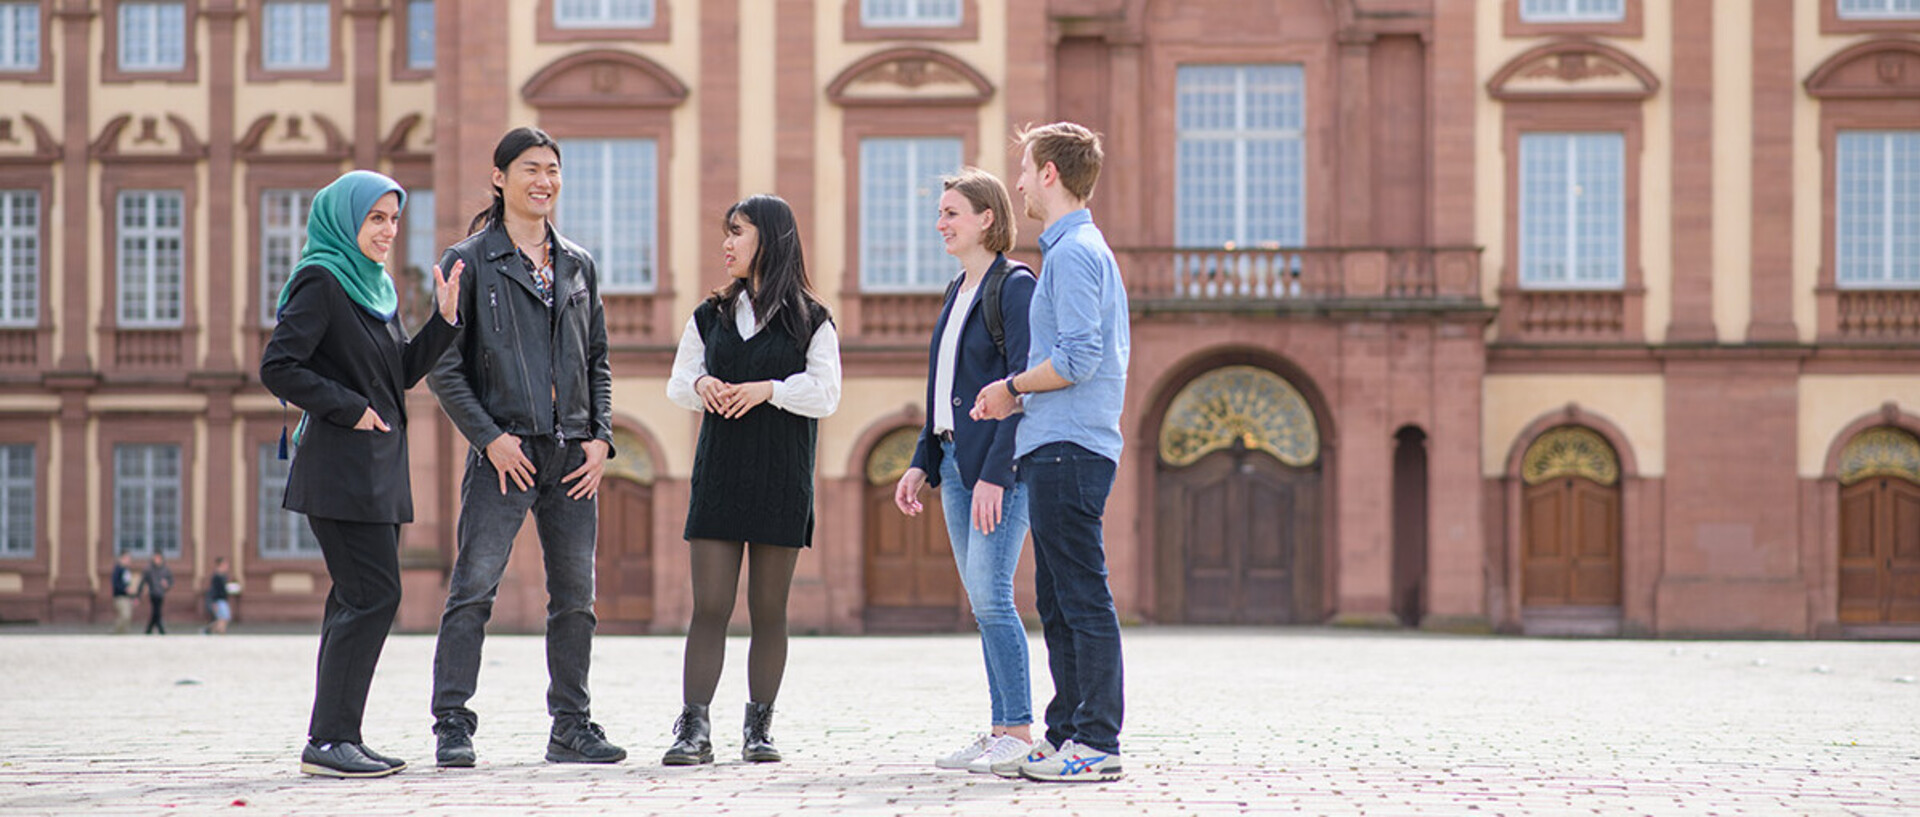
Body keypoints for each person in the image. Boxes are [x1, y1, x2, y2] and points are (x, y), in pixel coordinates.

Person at [426, 127, 625, 768]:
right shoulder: (469, 261)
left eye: (553, 170)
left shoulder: (578, 264)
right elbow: (444, 368)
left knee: (576, 599)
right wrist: (491, 439)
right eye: (531, 169)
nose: (544, 181)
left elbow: (596, 359)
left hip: (572, 455)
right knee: (473, 591)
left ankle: (571, 725)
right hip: (503, 456)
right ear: (500, 178)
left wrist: (602, 438)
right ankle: (452, 723)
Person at [260, 169, 462, 778]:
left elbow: (398, 374)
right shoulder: (322, 280)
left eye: (394, 219)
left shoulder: (375, 287)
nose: (387, 231)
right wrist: (352, 411)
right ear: (345, 221)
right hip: (339, 469)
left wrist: (444, 322)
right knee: (376, 594)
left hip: (377, 472)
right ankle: (328, 740)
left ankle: (336, 736)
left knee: (358, 597)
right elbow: (279, 366)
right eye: (375, 218)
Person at [971, 122, 1129, 783]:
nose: (1017, 182)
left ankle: (1096, 741)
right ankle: (1065, 733)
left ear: (1050, 175)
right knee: (1060, 599)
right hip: (1055, 444)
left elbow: (1078, 357)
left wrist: (1009, 386)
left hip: (1070, 444)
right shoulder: (1069, 250)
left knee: (1082, 596)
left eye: (1025, 168)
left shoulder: (1074, 254)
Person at [661, 194, 840, 766]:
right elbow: (679, 381)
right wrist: (702, 387)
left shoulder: (812, 319)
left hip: (782, 478)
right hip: (719, 475)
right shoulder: (708, 315)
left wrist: (770, 390)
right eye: (726, 232)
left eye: (736, 232)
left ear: (769, 237)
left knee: (769, 610)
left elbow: (826, 395)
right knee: (709, 605)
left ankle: (759, 728)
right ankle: (693, 729)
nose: (727, 244)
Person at [893, 168, 1038, 774]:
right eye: (941, 212)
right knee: (982, 600)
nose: (941, 223)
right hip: (954, 462)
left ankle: (1021, 730)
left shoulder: (1015, 287)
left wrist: (997, 473)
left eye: (953, 212)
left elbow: (1026, 386)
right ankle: (1001, 725)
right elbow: (942, 389)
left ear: (987, 218)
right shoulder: (957, 290)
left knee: (992, 596)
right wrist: (921, 461)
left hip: (994, 468)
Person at [135, 553, 173, 635]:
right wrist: (138, 595)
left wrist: (167, 584)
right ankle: (160, 628)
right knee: (156, 611)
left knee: (156, 611)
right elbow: (142, 582)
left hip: (161, 593)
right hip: (153, 593)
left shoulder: (165, 569)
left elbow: (170, 580)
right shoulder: (149, 570)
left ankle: (150, 629)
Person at [203, 556, 234, 635]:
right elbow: (214, 590)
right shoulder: (216, 577)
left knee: (223, 619)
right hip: (218, 600)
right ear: (221, 565)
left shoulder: (224, 576)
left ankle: (208, 630)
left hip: (223, 600)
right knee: (222, 619)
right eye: (225, 564)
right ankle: (220, 634)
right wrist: (213, 602)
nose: (227, 566)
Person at [110, 553, 135, 634]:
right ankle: (116, 632)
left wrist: (132, 596)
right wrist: (124, 589)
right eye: (126, 559)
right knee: (125, 615)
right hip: (119, 596)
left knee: (128, 616)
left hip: (126, 597)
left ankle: (125, 633)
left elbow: (128, 583)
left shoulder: (126, 570)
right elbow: (115, 583)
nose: (128, 561)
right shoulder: (118, 569)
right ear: (121, 559)